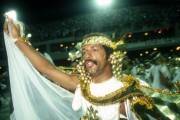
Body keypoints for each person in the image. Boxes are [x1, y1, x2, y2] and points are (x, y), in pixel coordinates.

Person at [3, 16, 180, 120]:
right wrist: (17, 40)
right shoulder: (81, 85)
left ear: (110, 58)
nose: (87, 55)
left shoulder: (130, 91)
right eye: (84, 51)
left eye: (94, 50)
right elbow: (48, 69)